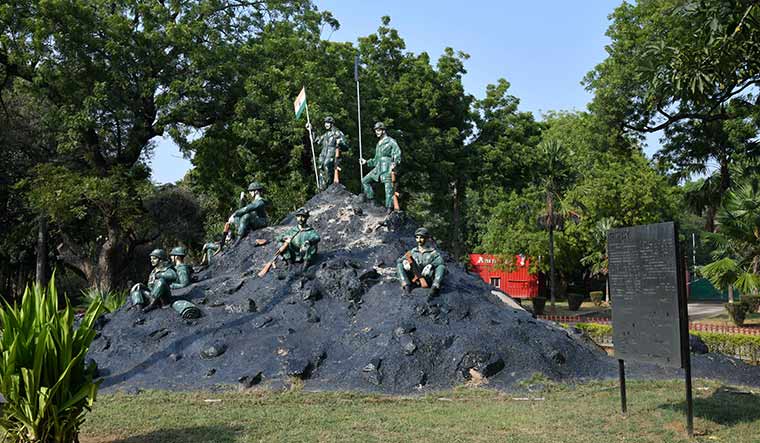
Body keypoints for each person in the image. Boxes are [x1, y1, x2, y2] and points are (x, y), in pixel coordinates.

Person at [130, 249, 201, 318]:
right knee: (137, 288)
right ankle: (139, 311)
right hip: (152, 295)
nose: (152, 260)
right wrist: (141, 286)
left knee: (161, 281)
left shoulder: (167, 269)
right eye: (151, 259)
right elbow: (150, 285)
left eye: (154, 259)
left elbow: (173, 276)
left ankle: (152, 304)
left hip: (163, 298)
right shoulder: (154, 271)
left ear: (160, 260)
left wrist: (160, 275)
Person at [360, 122, 401, 212]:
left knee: (389, 189)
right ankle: (372, 201)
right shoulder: (378, 144)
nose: (377, 132)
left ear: (383, 130)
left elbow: (397, 153)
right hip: (378, 168)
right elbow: (376, 160)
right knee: (365, 181)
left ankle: (389, 209)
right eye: (376, 130)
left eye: (378, 130)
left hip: (387, 167)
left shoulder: (391, 141)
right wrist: (366, 162)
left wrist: (394, 163)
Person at [396, 228, 445, 296]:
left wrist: (431, 265)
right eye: (417, 238)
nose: (419, 240)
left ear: (427, 238)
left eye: (421, 238)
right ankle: (406, 285)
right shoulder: (413, 251)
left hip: (427, 277)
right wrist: (405, 262)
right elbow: (400, 260)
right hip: (414, 276)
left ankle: (435, 286)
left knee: (441, 267)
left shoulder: (432, 253)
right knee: (399, 265)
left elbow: (441, 262)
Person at [275, 208, 321, 272]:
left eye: (303, 216)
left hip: (305, 254)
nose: (300, 219)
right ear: (296, 217)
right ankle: (289, 263)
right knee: (280, 244)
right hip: (294, 254)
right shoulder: (292, 230)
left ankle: (306, 264)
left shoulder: (310, 231)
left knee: (311, 245)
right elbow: (278, 237)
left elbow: (317, 237)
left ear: (307, 218)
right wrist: (284, 238)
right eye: (298, 216)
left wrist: (309, 241)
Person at [309, 116, 348, 190]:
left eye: (328, 123)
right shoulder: (326, 134)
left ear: (332, 124)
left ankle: (328, 187)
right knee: (320, 166)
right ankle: (321, 188)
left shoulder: (337, 133)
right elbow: (316, 140)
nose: (326, 124)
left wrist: (340, 143)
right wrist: (311, 130)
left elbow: (345, 147)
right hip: (323, 154)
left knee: (326, 165)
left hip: (331, 155)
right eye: (325, 123)